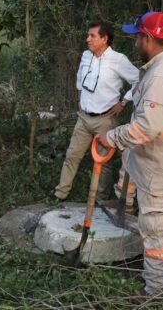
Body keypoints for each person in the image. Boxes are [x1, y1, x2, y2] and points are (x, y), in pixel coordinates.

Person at [96, 12, 163, 295]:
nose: (135, 43)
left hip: (160, 167)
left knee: (157, 231)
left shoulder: (161, 76)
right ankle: (159, 281)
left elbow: (147, 127)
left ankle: (156, 291)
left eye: (137, 38)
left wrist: (111, 137)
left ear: (148, 39)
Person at [50, 20, 138, 202]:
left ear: (104, 39)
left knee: (103, 163)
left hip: (105, 119)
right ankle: (60, 194)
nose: (87, 39)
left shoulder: (118, 60)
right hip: (83, 118)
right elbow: (79, 79)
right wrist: (80, 99)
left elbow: (140, 80)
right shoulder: (86, 56)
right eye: (88, 35)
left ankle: (100, 200)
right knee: (72, 155)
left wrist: (123, 102)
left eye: (92, 36)